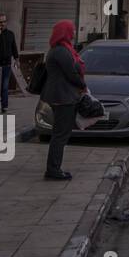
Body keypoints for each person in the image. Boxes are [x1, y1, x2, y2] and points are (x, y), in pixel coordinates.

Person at [42, 20, 88, 181]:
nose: (74, 33)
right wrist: (83, 85)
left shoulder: (60, 49)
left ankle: (54, 168)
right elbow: (72, 73)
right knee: (60, 135)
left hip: (62, 95)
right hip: (63, 97)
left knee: (60, 134)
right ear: (64, 32)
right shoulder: (61, 51)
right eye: (72, 30)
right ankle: (54, 169)